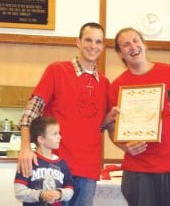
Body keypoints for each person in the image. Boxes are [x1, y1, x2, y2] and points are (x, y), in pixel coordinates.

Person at [17, 22, 109, 206]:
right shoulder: (57, 70)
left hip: (88, 170)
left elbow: (98, 125)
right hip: (54, 166)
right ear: (78, 42)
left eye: (98, 42)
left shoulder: (105, 83)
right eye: (88, 40)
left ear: (103, 46)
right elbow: (30, 113)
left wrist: (112, 118)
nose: (93, 46)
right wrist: (25, 148)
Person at [105, 27, 170, 206]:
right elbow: (110, 127)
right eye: (126, 44)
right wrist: (124, 146)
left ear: (144, 44)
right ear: (120, 54)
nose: (133, 46)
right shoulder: (116, 87)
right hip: (139, 169)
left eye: (136, 40)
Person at [14, 116, 74, 206]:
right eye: (55, 134)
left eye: (59, 133)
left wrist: (60, 193)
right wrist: (41, 195)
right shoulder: (28, 162)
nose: (60, 137)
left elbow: (70, 188)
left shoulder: (62, 163)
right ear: (41, 139)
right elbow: (19, 192)